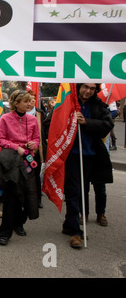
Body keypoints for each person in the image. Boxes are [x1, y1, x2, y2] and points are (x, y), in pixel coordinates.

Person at [62, 83, 113, 249]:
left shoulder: (98, 106)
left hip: (93, 156)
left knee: (92, 190)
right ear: (78, 87)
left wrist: (87, 122)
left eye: (92, 88)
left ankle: (72, 223)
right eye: (86, 87)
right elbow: (51, 124)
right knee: (74, 192)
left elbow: (107, 125)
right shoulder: (67, 103)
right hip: (72, 156)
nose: (88, 91)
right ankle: (75, 231)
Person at [0, 90, 40, 246]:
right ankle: (4, 232)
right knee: (11, 198)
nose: (29, 104)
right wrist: (16, 147)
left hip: (28, 161)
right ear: (16, 103)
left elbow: (37, 139)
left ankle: (19, 224)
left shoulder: (32, 120)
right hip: (11, 163)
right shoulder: (5, 118)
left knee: (27, 196)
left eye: (30, 101)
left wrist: (34, 144)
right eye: (25, 101)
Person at [26, 89, 47, 208]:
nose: (30, 102)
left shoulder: (40, 113)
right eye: (28, 99)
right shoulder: (19, 113)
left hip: (37, 150)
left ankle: (37, 199)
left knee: (36, 175)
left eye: (33, 100)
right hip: (23, 151)